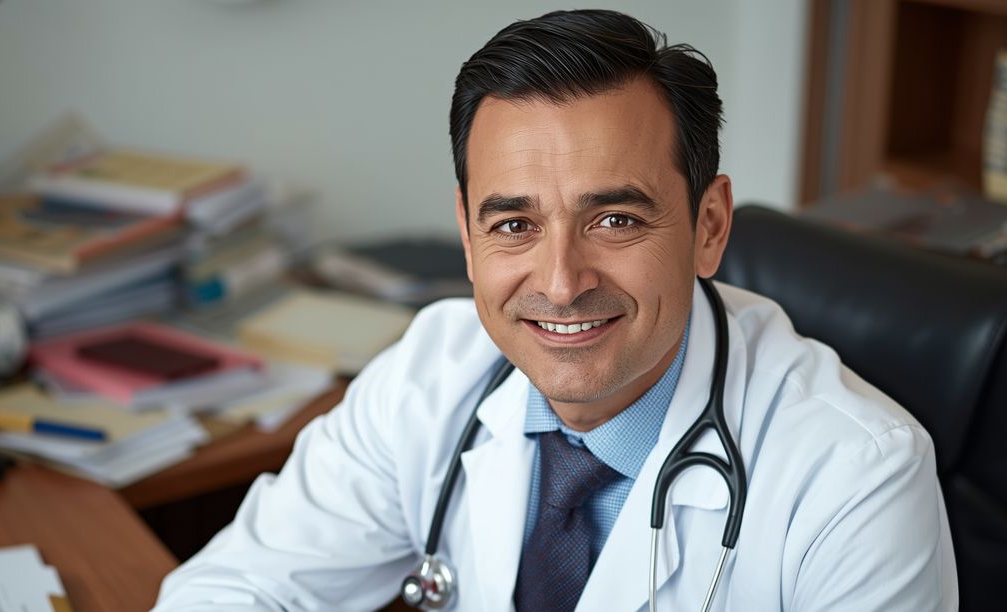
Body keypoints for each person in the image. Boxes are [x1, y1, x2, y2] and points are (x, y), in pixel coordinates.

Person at [153, 9, 958, 611]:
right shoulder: (431, 373)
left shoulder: (857, 478)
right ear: (467, 237)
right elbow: (237, 588)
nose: (563, 282)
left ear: (709, 227)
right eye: (514, 225)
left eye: (616, 220)